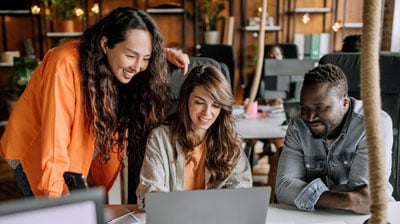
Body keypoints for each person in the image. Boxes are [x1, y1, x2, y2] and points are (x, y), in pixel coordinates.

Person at [0, 7, 190, 197]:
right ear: (105, 44)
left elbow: (135, 50)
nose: (138, 66)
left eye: (146, 58)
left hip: (72, 153)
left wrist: (161, 55)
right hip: (34, 152)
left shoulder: (118, 62)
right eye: (131, 56)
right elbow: (54, 138)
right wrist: (55, 201)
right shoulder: (64, 65)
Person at [275, 64, 394, 214]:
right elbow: (283, 187)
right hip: (315, 217)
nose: (310, 117)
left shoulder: (373, 123)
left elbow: (364, 196)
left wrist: (303, 193)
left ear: (344, 103)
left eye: (320, 108)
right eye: (305, 108)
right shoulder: (298, 126)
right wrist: (350, 200)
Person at [136, 64, 253, 209]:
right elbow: (150, 188)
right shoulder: (160, 138)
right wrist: (160, 200)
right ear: (186, 100)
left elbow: (241, 189)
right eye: (199, 102)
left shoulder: (230, 142)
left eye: (215, 105)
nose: (207, 113)